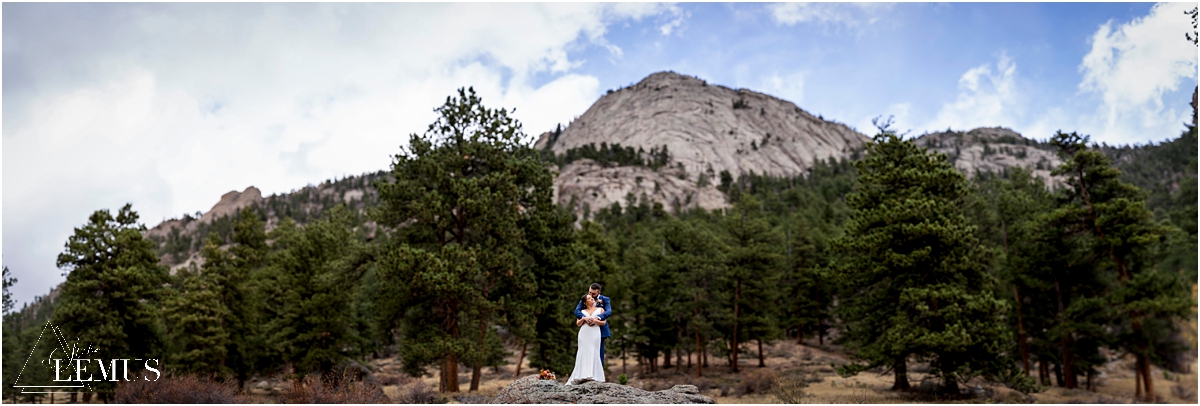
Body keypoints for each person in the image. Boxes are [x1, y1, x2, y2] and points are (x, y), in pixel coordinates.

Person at [567, 293, 606, 384]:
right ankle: (582, 375)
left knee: (594, 351)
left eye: (592, 298)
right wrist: (584, 319)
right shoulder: (582, 311)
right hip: (584, 333)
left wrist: (595, 320)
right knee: (583, 351)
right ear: (585, 302)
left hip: (595, 332)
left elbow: (604, 322)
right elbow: (578, 324)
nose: (592, 299)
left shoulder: (600, 309)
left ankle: (594, 375)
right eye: (589, 298)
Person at [573, 283, 612, 363]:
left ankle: (598, 373)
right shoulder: (585, 299)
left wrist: (598, 317)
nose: (591, 294)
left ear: (599, 293)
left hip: (600, 330)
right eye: (589, 292)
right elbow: (576, 311)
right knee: (586, 351)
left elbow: (609, 311)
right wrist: (586, 318)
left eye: (593, 293)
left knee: (599, 353)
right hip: (587, 331)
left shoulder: (605, 299)